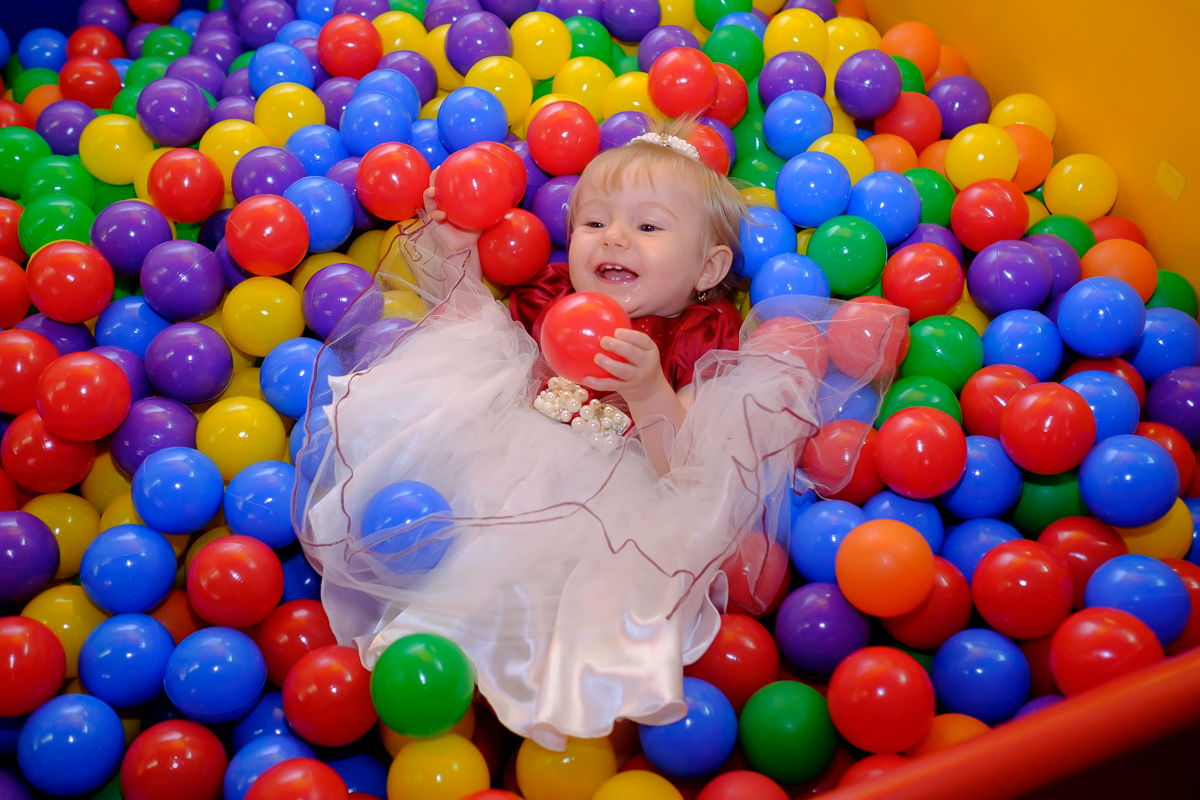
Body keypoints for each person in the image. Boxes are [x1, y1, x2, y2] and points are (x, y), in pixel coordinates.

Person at [296, 119, 903, 750]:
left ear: (707, 267)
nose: (614, 236)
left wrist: (649, 393)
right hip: (503, 459)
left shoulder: (699, 343)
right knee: (465, 554)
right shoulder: (548, 300)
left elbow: (687, 471)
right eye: (594, 223)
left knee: (566, 595)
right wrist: (452, 244)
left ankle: (508, 700)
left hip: (611, 503)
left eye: (648, 226)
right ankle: (432, 652)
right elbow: (468, 319)